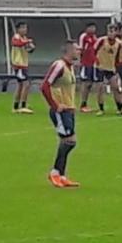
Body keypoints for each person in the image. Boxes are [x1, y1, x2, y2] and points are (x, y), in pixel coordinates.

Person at [40, 40, 81, 189]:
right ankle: (55, 173)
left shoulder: (70, 67)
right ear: (69, 51)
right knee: (69, 140)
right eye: (77, 49)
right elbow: (45, 86)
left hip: (68, 110)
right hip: (61, 111)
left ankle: (61, 176)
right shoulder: (59, 66)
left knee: (69, 141)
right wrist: (55, 105)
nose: (79, 51)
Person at [92, 23, 121, 116]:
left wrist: (116, 68)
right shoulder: (101, 40)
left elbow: (117, 57)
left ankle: (119, 108)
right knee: (100, 88)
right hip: (100, 67)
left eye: (112, 31)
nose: (110, 33)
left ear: (116, 32)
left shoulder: (118, 44)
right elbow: (93, 51)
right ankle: (101, 108)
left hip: (110, 68)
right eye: (109, 31)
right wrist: (97, 62)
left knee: (115, 87)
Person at [10, 21, 36, 114]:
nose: (25, 30)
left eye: (26, 28)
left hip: (24, 64)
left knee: (21, 85)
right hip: (18, 65)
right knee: (26, 84)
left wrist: (31, 48)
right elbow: (17, 43)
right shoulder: (16, 37)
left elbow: (28, 49)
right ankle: (23, 106)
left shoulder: (24, 38)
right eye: (23, 28)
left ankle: (16, 106)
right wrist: (27, 41)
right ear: (18, 29)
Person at [77, 22, 100, 113]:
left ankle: (86, 104)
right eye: (91, 27)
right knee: (86, 83)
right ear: (87, 28)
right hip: (86, 63)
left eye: (94, 27)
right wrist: (80, 61)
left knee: (91, 84)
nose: (93, 29)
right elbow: (81, 49)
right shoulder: (84, 37)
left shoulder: (95, 38)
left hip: (93, 64)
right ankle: (83, 104)